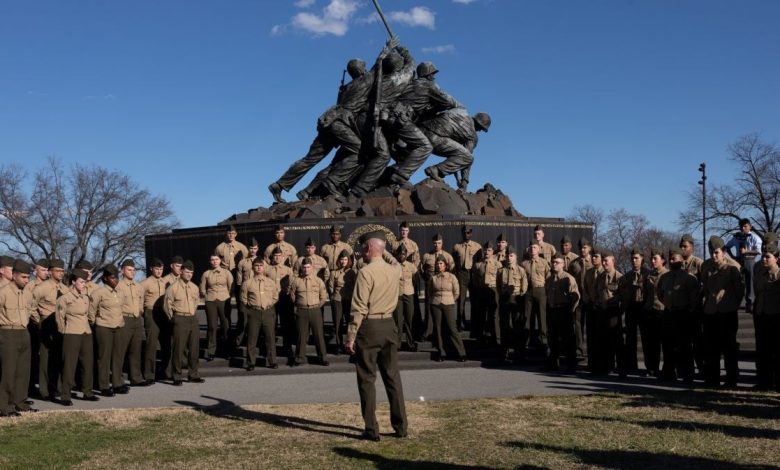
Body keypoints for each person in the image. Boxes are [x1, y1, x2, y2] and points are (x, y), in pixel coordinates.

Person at [346, 231, 407, 441]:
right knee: (393, 377)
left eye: (365, 247)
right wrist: (382, 250)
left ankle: (372, 429)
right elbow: (392, 260)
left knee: (366, 379)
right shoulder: (395, 270)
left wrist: (351, 335)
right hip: (389, 325)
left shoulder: (365, 273)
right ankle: (401, 426)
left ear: (369, 248)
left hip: (369, 327)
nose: (362, 250)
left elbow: (359, 307)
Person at [701, 236, 744, 387]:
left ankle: (731, 379)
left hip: (727, 312)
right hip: (711, 311)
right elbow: (705, 287)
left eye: (716, 252)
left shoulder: (734, 267)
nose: (713, 255)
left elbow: (739, 291)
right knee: (711, 347)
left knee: (729, 347)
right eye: (711, 252)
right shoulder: (706, 266)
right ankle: (712, 378)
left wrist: (731, 305)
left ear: (724, 251)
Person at [55, 268, 99, 405]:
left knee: (88, 364)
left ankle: (87, 392)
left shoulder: (86, 297)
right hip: (72, 333)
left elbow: (89, 315)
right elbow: (59, 318)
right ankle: (65, 395)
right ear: (73, 282)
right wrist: (64, 331)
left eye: (85, 282)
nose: (83, 284)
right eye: (81, 282)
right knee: (69, 366)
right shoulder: (64, 298)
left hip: (86, 333)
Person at [656, 248, 700, 383]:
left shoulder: (689, 278)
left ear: (681, 260)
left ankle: (687, 374)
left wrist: (689, 312)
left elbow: (694, 298)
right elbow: (660, 294)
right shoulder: (664, 277)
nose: (671, 261)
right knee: (668, 345)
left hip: (683, 314)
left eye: (674, 259)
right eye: (670, 259)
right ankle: (669, 373)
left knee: (685, 346)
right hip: (669, 314)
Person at [419, 111, 490, 191]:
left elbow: (455, 158)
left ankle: (436, 172)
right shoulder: (472, 135)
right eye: (481, 128)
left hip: (421, 131)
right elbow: (465, 158)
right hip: (435, 138)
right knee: (469, 158)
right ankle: (435, 170)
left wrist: (457, 178)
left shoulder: (460, 114)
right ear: (479, 124)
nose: (480, 131)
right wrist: (464, 181)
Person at [0, 260, 35, 416]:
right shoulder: (3, 292)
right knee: (8, 372)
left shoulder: (27, 293)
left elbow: (30, 311)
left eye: (28, 277)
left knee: (23, 371)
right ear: (14, 276)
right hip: (8, 333)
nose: (27, 280)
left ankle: (20, 402)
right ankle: (4, 406)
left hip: (24, 332)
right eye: (23, 277)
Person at [163, 260, 205, 385]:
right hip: (180, 319)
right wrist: (173, 318)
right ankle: (177, 375)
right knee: (178, 349)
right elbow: (167, 305)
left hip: (192, 318)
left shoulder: (194, 287)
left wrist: (191, 313)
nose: (189, 275)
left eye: (191, 273)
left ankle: (193, 374)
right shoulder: (173, 288)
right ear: (181, 271)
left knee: (194, 348)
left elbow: (196, 302)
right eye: (187, 272)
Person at [31, 258, 67, 401]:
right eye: (58, 271)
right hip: (46, 323)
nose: (61, 273)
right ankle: (44, 391)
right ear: (50, 272)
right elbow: (31, 306)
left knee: (58, 357)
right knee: (45, 358)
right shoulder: (42, 287)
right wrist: (38, 321)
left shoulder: (64, 289)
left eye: (62, 271)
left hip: (60, 325)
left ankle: (57, 388)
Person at [90, 264, 128, 396]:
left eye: (116, 277)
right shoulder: (98, 293)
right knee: (104, 357)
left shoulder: (120, 292)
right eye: (112, 278)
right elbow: (91, 311)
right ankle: (104, 385)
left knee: (118, 356)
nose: (115, 280)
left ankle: (117, 383)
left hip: (119, 326)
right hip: (104, 327)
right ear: (105, 278)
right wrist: (96, 323)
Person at [289, 257, 329, 366]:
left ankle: (323, 358)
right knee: (301, 336)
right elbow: (292, 296)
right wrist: (299, 304)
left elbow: (323, 296)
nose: (306, 269)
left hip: (315, 310)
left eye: (308, 267)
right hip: (302, 311)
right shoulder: (296, 281)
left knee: (319, 335)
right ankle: (299, 358)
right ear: (301, 268)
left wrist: (316, 306)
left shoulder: (318, 281)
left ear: (312, 267)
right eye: (304, 267)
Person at [241, 258, 279, 370]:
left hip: (268, 312)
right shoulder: (247, 283)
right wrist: (252, 306)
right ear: (253, 268)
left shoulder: (270, 282)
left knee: (270, 338)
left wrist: (269, 304)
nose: (259, 268)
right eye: (256, 266)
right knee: (252, 338)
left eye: (261, 266)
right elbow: (243, 298)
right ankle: (251, 362)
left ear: (264, 267)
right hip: (254, 312)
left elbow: (275, 296)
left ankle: (272, 361)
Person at [428, 255, 467, 362]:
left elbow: (457, 292)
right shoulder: (433, 278)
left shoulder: (452, 277)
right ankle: (441, 352)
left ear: (445, 265)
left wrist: (450, 300)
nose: (439, 265)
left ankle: (461, 353)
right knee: (438, 329)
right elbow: (430, 292)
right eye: (437, 264)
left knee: (452, 328)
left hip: (448, 303)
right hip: (436, 304)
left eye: (441, 264)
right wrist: (433, 301)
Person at [545, 254, 580, 372]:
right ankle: (553, 364)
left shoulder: (568, 278)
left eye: (557, 262)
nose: (554, 264)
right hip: (552, 310)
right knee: (552, 338)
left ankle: (571, 365)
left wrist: (570, 310)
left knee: (567, 339)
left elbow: (576, 296)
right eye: (553, 262)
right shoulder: (549, 279)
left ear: (563, 264)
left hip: (564, 310)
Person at [592, 250, 624, 377]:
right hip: (602, 311)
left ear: (613, 261)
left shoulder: (620, 277)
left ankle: (621, 369)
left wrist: (619, 312)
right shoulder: (600, 277)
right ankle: (605, 367)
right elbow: (596, 292)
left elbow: (624, 297)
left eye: (606, 261)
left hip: (613, 311)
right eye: (603, 261)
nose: (604, 263)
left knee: (617, 341)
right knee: (602, 341)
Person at [753, 243, 779, 390]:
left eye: (767, 257)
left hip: (775, 316)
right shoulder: (760, 274)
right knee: (763, 351)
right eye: (763, 256)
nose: (764, 259)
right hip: (761, 315)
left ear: (776, 259)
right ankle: (764, 382)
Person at [116, 259, 146, 387]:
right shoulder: (118, 286)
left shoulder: (139, 287)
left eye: (134, 270)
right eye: (129, 270)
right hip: (124, 319)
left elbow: (141, 303)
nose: (132, 272)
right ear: (122, 271)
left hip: (137, 319)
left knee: (136, 350)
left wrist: (140, 313)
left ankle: (136, 378)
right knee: (120, 351)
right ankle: (118, 380)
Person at [619, 248, 648, 375]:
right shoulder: (627, 276)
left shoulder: (648, 274)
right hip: (631, 308)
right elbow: (624, 295)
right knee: (630, 339)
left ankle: (650, 366)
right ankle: (632, 365)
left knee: (646, 339)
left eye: (636, 258)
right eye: (632, 258)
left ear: (642, 259)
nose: (634, 260)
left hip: (644, 307)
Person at [200, 253, 234, 361]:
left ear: (220, 261)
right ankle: (211, 351)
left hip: (224, 300)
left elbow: (231, 287)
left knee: (226, 326)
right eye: (212, 259)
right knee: (212, 327)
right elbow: (202, 289)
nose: (214, 261)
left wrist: (226, 296)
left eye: (216, 259)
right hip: (211, 301)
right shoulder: (206, 274)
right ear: (210, 261)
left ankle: (227, 350)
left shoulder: (226, 272)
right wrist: (207, 296)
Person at [497, 246, 528, 362]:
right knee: (504, 325)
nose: (509, 258)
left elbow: (524, 286)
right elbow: (498, 285)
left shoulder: (521, 270)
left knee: (517, 326)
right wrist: (503, 295)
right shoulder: (501, 271)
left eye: (511, 256)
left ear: (515, 257)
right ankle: (504, 353)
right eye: (507, 256)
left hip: (516, 299)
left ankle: (518, 353)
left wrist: (519, 297)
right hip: (505, 299)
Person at [420, 234, 454, 338]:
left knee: (442, 308)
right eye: (435, 243)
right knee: (428, 308)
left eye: (439, 243)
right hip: (430, 285)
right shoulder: (427, 256)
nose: (436, 245)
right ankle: (428, 331)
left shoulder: (447, 256)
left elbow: (452, 269)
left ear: (442, 243)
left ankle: (442, 331)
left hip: (442, 286)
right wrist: (427, 279)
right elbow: (421, 269)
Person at [140, 258, 168, 384]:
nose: (159, 271)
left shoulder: (165, 282)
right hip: (151, 312)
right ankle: (149, 374)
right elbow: (139, 300)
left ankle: (165, 371)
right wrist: (145, 313)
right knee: (151, 344)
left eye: (161, 269)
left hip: (163, 313)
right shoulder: (145, 283)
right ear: (151, 269)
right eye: (156, 269)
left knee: (166, 343)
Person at [725, 218, 762, 312]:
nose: (743, 228)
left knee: (750, 282)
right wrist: (732, 256)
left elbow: (758, 251)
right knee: (738, 281)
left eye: (745, 226)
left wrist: (746, 251)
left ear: (750, 226)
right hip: (738, 261)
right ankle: (735, 302)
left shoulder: (754, 237)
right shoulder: (736, 237)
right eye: (741, 226)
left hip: (749, 260)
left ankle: (750, 304)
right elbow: (726, 247)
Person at [641, 249, 668, 378]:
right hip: (649, 311)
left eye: (655, 258)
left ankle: (667, 369)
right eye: (651, 259)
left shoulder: (667, 275)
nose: (652, 261)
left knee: (664, 343)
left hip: (662, 312)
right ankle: (651, 368)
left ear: (662, 260)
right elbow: (645, 294)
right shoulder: (649, 276)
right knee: (650, 343)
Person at [266, 247, 295, 356]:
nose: (277, 258)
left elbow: (292, 285)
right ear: (272, 257)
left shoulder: (288, 270)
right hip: (271, 300)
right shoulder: (267, 269)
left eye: (279, 256)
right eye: (275, 256)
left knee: (286, 325)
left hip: (284, 299)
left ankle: (287, 348)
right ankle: (271, 349)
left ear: (283, 257)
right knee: (271, 325)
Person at [522, 240, 551, 350]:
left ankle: (544, 342)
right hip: (528, 291)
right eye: (530, 247)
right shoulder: (524, 264)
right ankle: (527, 341)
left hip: (541, 290)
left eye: (535, 247)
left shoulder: (544, 263)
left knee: (542, 317)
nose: (532, 249)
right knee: (527, 317)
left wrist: (546, 292)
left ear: (539, 250)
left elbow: (549, 278)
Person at [566, 238, 592, 360]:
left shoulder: (594, 261)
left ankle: (592, 350)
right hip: (578, 298)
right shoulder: (574, 263)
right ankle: (579, 349)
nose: (582, 250)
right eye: (581, 248)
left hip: (591, 298)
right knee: (577, 324)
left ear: (589, 248)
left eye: (585, 247)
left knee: (591, 325)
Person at [452, 225, 480, 332]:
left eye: (468, 232)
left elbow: (480, 263)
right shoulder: (457, 246)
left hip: (473, 274)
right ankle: (460, 323)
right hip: (462, 274)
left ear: (471, 233)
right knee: (461, 300)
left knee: (475, 300)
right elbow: (453, 262)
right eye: (464, 232)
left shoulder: (477, 247)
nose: (466, 234)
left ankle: (474, 323)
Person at [472, 240, 501, 345]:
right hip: (482, 291)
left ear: (493, 251)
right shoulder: (478, 264)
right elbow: (475, 279)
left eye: (489, 250)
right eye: (485, 250)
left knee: (494, 315)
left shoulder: (498, 264)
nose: (487, 252)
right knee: (481, 315)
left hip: (493, 290)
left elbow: (500, 279)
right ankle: (480, 338)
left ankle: (496, 338)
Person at [328, 250, 356, 353]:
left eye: (345, 259)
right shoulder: (334, 272)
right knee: (337, 323)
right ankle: (339, 345)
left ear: (348, 261)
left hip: (348, 299)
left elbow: (355, 286)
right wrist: (333, 297)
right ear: (339, 260)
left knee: (350, 322)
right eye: (342, 259)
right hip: (337, 299)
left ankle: (350, 344)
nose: (343, 261)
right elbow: (331, 287)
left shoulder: (352, 272)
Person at [234, 237, 261, 345]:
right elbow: (239, 282)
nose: (252, 250)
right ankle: (240, 340)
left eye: (254, 248)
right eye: (251, 248)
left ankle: (256, 340)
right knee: (243, 317)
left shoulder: (262, 262)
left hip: (257, 293)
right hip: (245, 293)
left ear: (257, 249)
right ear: (248, 249)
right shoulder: (242, 263)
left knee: (256, 318)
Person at [583, 248, 603, 371]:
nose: (593, 258)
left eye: (596, 256)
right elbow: (585, 288)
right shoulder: (589, 272)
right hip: (591, 306)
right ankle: (592, 363)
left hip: (601, 307)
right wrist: (587, 301)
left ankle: (601, 364)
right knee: (590, 336)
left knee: (600, 337)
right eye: (593, 256)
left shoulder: (604, 272)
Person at [393, 245, 416, 351]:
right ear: (397, 254)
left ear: (406, 255)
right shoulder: (393, 266)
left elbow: (415, 279)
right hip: (397, 295)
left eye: (404, 254)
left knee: (409, 320)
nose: (402, 255)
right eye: (400, 254)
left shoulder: (411, 266)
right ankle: (397, 344)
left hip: (408, 294)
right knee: (397, 321)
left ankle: (410, 343)